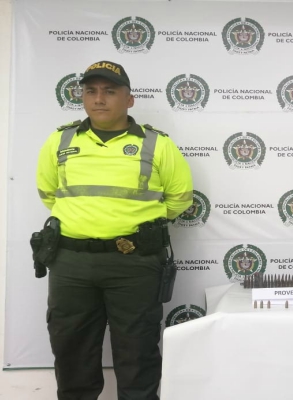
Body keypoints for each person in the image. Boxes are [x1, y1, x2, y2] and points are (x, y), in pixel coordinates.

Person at [36, 60, 193, 400]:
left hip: (135, 262)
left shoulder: (157, 144)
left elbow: (180, 198)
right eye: (90, 91)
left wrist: (134, 225)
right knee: (71, 349)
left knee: (137, 351)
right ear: (82, 97)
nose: (99, 99)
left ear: (129, 99)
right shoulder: (60, 141)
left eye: (109, 91)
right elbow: (49, 193)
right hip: (71, 263)